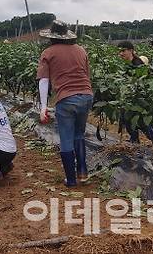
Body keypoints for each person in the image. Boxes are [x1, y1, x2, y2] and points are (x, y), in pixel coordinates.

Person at [37, 20, 93, 187]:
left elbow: (43, 81)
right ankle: (82, 172)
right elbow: (86, 75)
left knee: (66, 138)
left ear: (52, 37)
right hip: (86, 96)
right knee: (79, 133)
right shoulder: (81, 50)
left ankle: (71, 179)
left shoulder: (48, 53)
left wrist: (43, 107)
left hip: (66, 99)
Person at [117, 41, 153, 143]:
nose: (121, 54)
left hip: (140, 99)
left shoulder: (138, 65)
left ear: (131, 51)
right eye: (120, 51)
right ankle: (135, 141)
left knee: (143, 123)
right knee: (128, 120)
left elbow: (144, 83)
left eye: (123, 51)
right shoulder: (128, 64)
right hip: (130, 99)